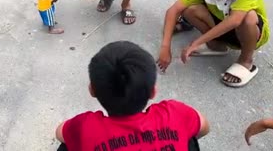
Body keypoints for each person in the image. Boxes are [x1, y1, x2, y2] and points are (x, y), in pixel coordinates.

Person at [55, 41, 210, 151]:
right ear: (153, 91)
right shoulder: (174, 114)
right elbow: (203, 127)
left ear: (92, 90)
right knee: (187, 136)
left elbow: (60, 133)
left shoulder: (86, 127)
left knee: (70, 144)